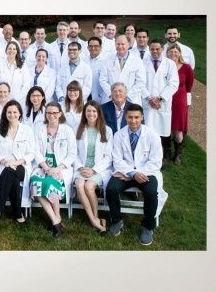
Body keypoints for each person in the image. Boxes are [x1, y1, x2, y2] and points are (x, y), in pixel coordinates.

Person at [106, 104, 163, 246]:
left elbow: (155, 162)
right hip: (126, 172)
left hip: (147, 173)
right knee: (111, 189)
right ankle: (116, 220)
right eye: (130, 117)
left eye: (136, 117)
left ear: (142, 117)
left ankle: (148, 227)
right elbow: (117, 160)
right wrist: (132, 173)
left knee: (151, 193)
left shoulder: (152, 136)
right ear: (125, 117)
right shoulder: (119, 135)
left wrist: (137, 173)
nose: (133, 121)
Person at [30, 101, 77, 237]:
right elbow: (35, 151)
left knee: (51, 182)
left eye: (55, 113)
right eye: (49, 113)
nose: (52, 115)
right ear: (45, 114)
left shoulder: (67, 130)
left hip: (60, 167)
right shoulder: (39, 129)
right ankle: (56, 218)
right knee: (35, 183)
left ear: (60, 114)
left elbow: (72, 154)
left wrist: (56, 169)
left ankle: (56, 218)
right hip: (42, 165)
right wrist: (46, 168)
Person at [0, 100, 37, 226]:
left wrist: (16, 162)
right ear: (5, 114)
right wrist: (5, 162)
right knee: (12, 178)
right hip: (2, 166)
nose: (12, 115)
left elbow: (31, 153)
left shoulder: (27, 130)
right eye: (9, 112)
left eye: (15, 112)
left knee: (11, 172)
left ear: (20, 113)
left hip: (21, 166)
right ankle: (17, 213)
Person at [73, 100, 113, 234]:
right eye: (88, 111)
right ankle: (94, 220)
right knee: (79, 185)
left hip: (98, 169)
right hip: (81, 167)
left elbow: (108, 156)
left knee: (89, 187)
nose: (91, 114)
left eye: (94, 111)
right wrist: (81, 168)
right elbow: (74, 152)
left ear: (98, 113)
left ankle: (95, 216)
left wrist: (94, 170)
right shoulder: (78, 129)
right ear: (84, 113)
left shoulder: (107, 131)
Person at [141, 39, 179, 163]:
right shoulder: (143, 63)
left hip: (162, 104)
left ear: (162, 49)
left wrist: (160, 98)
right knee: (148, 132)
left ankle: (159, 158)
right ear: (149, 49)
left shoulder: (170, 64)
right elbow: (139, 82)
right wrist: (149, 98)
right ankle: (147, 157)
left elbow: (173, 84)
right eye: (152, 49)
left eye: (157, 49)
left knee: (161, 133)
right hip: (148, 102)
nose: (155, 51)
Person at [166, 43, 194, 165]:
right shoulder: (165, 66)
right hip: (166, 98)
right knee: (165, 125)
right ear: (167, 53)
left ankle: (178, 153)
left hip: (179, 99)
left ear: (179, 53)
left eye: (175, 52)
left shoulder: (186, 67)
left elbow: (189, 85)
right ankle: (166, 150)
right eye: (171, 52)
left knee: (177, 127)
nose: (173, 54)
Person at [99, 35, 146, 105]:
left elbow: (141, 82)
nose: (120, 46)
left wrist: (127, 96)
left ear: (128, 45)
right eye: (118, 44)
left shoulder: (137, 61)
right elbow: (103, 80)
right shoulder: (107, 60)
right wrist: (113, 94)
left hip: (131, 99)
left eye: (123, 44)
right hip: (111, 99)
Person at [0, 41, 31, 105]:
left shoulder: (23, 66)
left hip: (18, 101)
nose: (12, 51)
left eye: (14, 49)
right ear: (6, 51)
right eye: (9, 49)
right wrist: (2, 97)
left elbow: (26, 85)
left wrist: (16, 99)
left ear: (17, 51)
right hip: (2, 100)